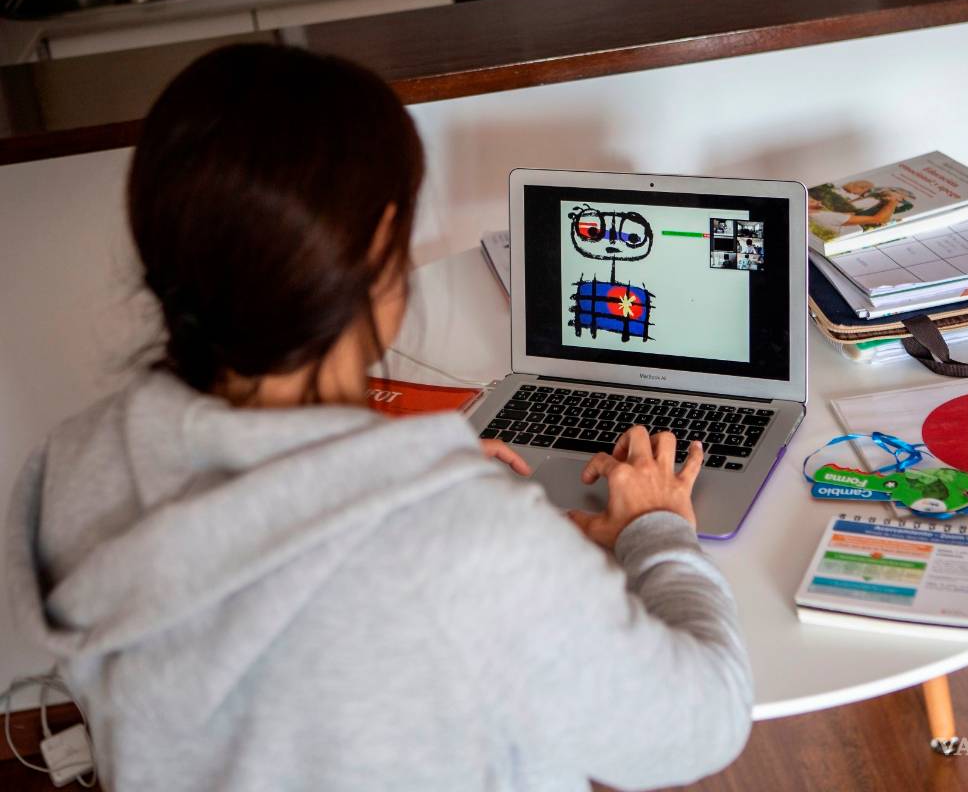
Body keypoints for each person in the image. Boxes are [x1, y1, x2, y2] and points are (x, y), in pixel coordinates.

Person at [6, 44, 752, 791]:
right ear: (379, 247)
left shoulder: (73, 463)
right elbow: (701, 722)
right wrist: (656, 529)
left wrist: (390, 478)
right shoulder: (464, 541)